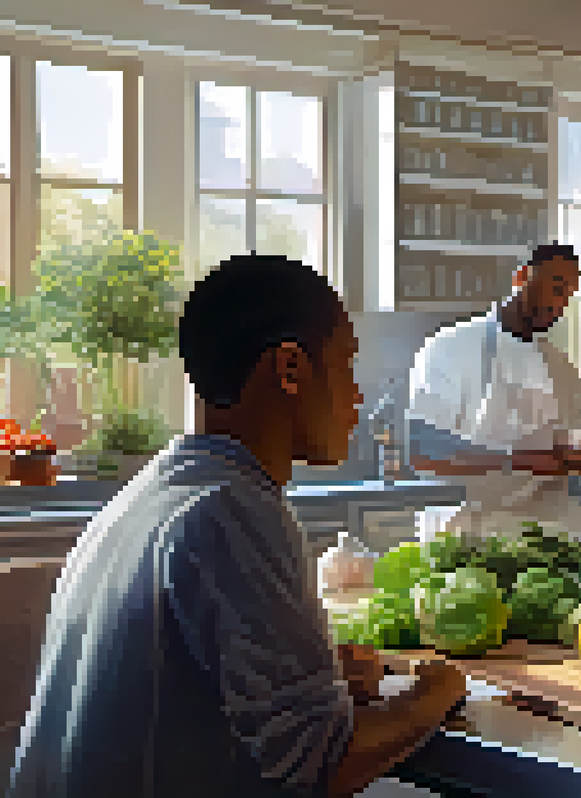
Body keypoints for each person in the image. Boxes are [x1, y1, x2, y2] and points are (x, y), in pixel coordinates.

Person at [9, 254, 468, 798]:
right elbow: (322, 764)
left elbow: (183, 691)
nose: (358, 397)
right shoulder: (230, 511)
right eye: (347, 366)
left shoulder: (150, 494)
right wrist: (437, 690)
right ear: (290, 369)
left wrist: (316, 683)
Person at [408, 243, 581, 543]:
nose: (560, 305)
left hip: (550, 535)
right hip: (467, 534)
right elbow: (424, 450)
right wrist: (515, 461)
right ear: (521, 277)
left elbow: (573, 445)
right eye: (555, 288)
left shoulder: (562, 368)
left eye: (567, 296)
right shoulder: (449, 347)